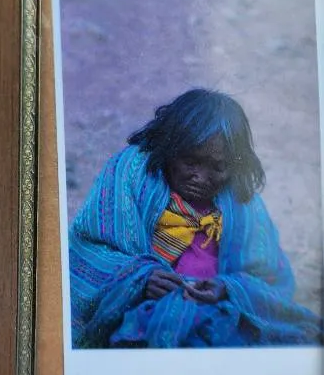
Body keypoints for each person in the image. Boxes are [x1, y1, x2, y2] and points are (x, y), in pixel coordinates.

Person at [68, 88, 323, 348]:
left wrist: (227, 288)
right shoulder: (130, 175)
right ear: (169, 148)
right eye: (190, 162)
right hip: (140, 315)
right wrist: (140, 279)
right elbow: (86, 254)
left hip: (218, 317)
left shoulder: (241, 198)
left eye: (218, 167)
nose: (201, 178)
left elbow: (270, 279)